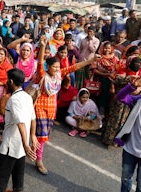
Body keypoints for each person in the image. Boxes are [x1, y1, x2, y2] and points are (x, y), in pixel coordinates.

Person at [34, 35, 99, 175]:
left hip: (52, 108)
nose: (57, 69)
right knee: (42, 133)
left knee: (43, 134)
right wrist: (43, 45)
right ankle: (39, 160)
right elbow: (40, 61)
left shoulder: (59, 75)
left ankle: (35, 151)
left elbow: (75, 66)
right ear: (48, 67)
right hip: (39, 106)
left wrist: (90, 61)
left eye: (58, 66)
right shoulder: (42, 75)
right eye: (54, 67)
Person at [0, 68, 39, 192]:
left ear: (11, 81)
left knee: (0, 180)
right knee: (18, 182)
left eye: (8, 80)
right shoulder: (27, 97)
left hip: (10, 147)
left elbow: (21, 123)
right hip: (20, 150)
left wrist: (26, 144)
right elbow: (33, 118)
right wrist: (32, 136)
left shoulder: (13, 99)